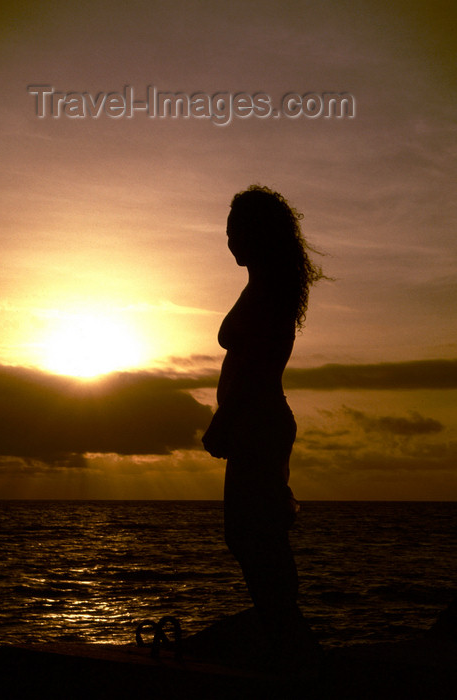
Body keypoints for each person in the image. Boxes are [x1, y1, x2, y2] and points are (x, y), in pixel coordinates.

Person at [202, 185, 323, 667]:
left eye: (237, 231)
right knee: (254, 530)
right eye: (227, 231)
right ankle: (284, 635)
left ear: (258, 233)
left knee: (252, 532)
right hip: (256, 421)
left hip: (258, 420)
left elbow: (256, 363)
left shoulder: (270, 289)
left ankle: (289, 642)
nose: (230, 241)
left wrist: (224, 419)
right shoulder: (261, 284)